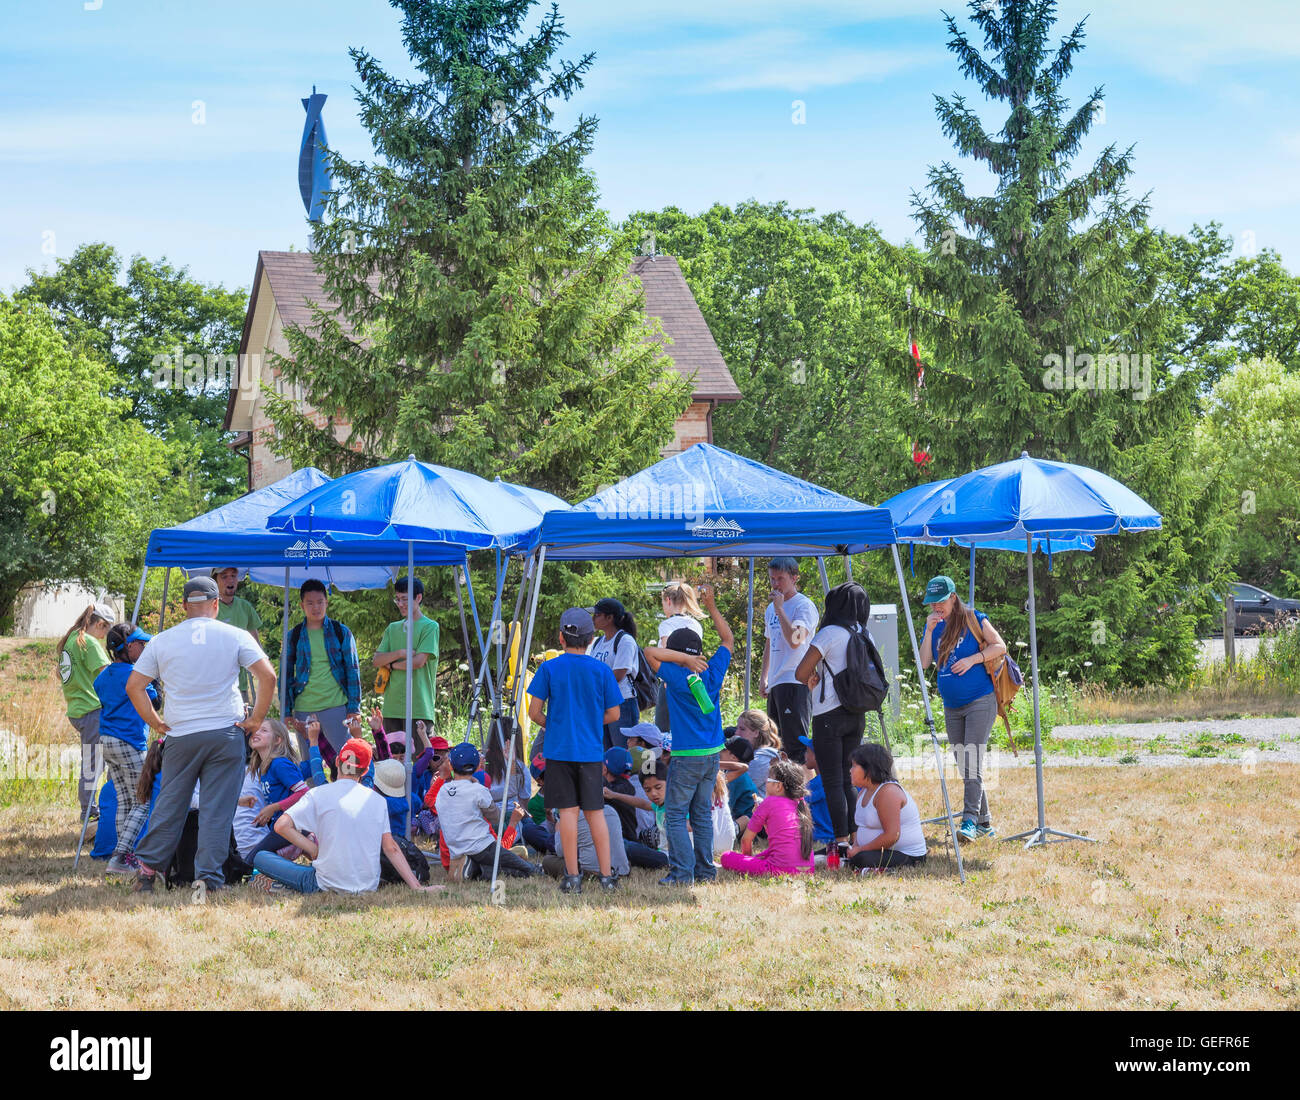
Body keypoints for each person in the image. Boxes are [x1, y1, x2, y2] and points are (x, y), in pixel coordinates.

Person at [126, 576, 278, 894]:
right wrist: (257, 719)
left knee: (170, 804)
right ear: (215, 604)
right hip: (226, 731)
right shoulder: (234, 635)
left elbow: (134, 686)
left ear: (184, 606)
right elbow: (268, 675)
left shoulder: (162, 640)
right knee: (216, 810)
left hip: (181, 734)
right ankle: (207, 881)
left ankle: (146, 873)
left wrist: (155, 722)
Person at [253, 737, 439, 894]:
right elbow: (391, 849)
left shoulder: (317, 794)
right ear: (366, 771)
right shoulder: (376, 800)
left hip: (323, 884)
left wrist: (312, 849)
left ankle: (283, 885)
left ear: (336, 763)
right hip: (367, 886)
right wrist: (416, 887)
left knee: (261, 857)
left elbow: (281, 826)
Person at [641, 582, 733, 887]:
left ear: (676, 653)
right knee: (702, 815)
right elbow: (728, 638)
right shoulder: (712, 672)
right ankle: (706, 871)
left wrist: (681, 660)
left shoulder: (677, 675)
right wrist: (710, 606)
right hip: (712, 756)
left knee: (676, 815)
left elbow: (649, 652)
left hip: (686, 756)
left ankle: (682, 873)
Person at [525, 607, 622, 894]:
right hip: (591, 753)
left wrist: (554, 725)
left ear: (561, 638)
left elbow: (533, 712)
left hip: (558, 751)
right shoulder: (601, 670)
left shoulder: (549, 667)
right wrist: (590, 721)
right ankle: (606, 877)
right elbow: (615, 714)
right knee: (595, 814)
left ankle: (573, 877)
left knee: (567, 814)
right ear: (591, 640)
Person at [918, 574, 1006, 842]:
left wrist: (973, 659)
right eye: (932, 604)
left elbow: (1000, 646)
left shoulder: (973, 618)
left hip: (981, 700)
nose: (936, 608)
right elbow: (923, 664)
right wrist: (929, 631)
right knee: (965, 763)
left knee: (972, 759)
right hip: (951, 706)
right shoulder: (934, 626)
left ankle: (968, 821)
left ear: (953, 598)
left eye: (940, 602)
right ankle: (984, 822)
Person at [795, 581, 872, 857]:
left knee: (832, 780)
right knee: (850, 777)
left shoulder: (829, 633)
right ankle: (854, 837)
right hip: (857, 712)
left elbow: (800, 672)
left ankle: (839, 843)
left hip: (829, 715)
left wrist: (812, 678)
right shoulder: (864, 633)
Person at [283, 579, 362, 779]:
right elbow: (285, 674)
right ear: (302, 606)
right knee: (309, 766)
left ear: (327, 602)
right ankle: (314, 805)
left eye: (320, 602)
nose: (315, 607)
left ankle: (347, 804)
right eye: (310, 603)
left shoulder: (340, 632)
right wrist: (286, 711)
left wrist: (354, 708)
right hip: (304, 707)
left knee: (347, 762)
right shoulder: (294, 636)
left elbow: (353, 670)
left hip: (336, 706)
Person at [94, 622, 155, 876]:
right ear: (129, 647)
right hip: (129, 741)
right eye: (141, 644)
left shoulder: (103, 676)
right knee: (143, 800)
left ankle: (124, 858)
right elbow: (155, 699)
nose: (145, 648)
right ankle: (120, 856)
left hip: (107, 741)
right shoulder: (133, 675)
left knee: (126, 800)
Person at [435, 742, 538, 881]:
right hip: (482, 847)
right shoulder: (478, 790)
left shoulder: (442, 791)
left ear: (451, 766)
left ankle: (473, 870)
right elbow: (496, 818)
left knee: (501, 871)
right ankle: (538, 870)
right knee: (523, 867)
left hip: (456, 849)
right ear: (478, 766)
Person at [57, 603, 114, 823]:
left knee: (94, 761)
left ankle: (93, 807)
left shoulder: (71, 639)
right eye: (105, 631)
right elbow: (107, 675)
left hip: (78, 710)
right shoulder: (88, 642)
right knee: (94, 764)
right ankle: (89, 811)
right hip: (91, 711)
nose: (104, 637)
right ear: (100, 624)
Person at [373, 576, 439, 756]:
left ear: (418, 598)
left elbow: (418, 662)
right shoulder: (392, 628)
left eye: (405, 599)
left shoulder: (430, 627)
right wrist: (401, 653)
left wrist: (392, 665)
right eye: (398, 599)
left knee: (420, 762)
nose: (401, 604)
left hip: (419, 706)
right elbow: (376, 660)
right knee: (390, 762)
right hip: (392, 706)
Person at [761, 558, 819, 764]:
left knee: (795, 746)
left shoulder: (804, 606)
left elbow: (796, 640)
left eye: (781, 579)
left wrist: (780, 609)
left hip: (796, 680)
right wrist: (764, 676)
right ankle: (784, 791)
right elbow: (770, 642)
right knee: (776, 744)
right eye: (772, 579)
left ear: (795, 578)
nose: (775, 584)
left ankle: (801, 792)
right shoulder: (771, 609)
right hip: (776, 681)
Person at [720, 760, 816, 877]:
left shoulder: (769, 802)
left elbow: (746, 840)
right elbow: (777, 836)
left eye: (768, 779)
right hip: (807, 871)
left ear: (778, 786)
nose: (766, 782)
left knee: (726, 857)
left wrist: (747, 860)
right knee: (766, 853)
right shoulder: (800, 803)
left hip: (779, 870)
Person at [847, 742, 927, 870]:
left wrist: (860, 850)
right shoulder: (863, 791)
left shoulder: (888, 792)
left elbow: (892, 836)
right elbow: (861, 827)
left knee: (860, 859)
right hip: (874, 851)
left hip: (906, 854)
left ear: (869, 769)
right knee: (834, 849)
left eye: (854, 766)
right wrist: (855, 847)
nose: (850, 770)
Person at [602, 746, 668, 869]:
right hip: (650, 845)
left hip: (668, 854)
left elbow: (690, 826)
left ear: (604, 769)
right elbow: (642, 803)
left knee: (623, 846)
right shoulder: (625, 788)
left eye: (658, 787)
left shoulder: (674, 806)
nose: (653, 793)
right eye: (648, 790)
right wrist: (614, 795)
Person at [589, 597, 641, 748]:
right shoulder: (598, 642)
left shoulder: (625, 641)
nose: (593, 619)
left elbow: (618, 675)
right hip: (602, 703)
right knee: (605, 754)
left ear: (610, 618)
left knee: (621, 753)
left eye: (597, 615)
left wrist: (591, 683)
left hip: (622, 703)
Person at [654, 581, 704, 733]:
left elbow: (667, 652)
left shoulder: (667, 625)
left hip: (671, 680)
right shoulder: (695, 624)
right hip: (692, 680)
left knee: (663, 728)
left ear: (668, 601)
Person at [213, 567, 264, 708]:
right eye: (224, 576)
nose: (230, 580)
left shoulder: (245, 607)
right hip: (213, 686)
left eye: (233, 576)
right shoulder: (208, 608)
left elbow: (256, 647)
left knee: (241, 727)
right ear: (215, 580)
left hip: (239, 685)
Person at [544, 805, 630, 880]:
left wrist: (558, 828)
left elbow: (561, 852)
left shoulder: (572, 816)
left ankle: (575, 877)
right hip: (622, 871)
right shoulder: (611, 810)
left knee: (547, 860)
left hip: (592, 872)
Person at [798, 736, 836, 851]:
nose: (805, 755)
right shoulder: (838, 781)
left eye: (807, 751)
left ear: (817, 756)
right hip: (837, 838)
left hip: (819, 838)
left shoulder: (813, 785)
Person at [735, 708, 782, 791]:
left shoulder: (761, 759)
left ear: (756, 733)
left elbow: (741, 789)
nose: (736, 733)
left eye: (742, 729)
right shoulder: (753, 754)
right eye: (737, 728)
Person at [720, 737, 759, 831]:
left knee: (745, 819)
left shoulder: (737, 779)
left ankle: (731, 834)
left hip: (746, 823)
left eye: (723, 750)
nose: (719, 752)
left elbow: (726, 806)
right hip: (738, 816)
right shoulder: (737, 773)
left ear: (733, 757)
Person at [709, 768, 737, 857]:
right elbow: (744, 767)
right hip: (727, 845)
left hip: (709, 846)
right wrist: (716, 762)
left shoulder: (696, 785)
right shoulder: (722, 782)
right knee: (745, 819)